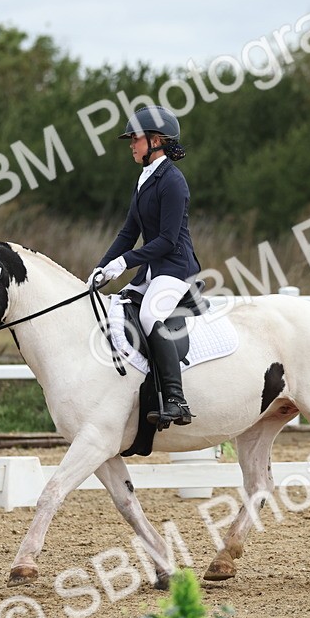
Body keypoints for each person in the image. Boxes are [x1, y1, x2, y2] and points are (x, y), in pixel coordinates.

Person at [90, 105, 201, 428]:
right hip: (151, 270)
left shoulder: (173, 182)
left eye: (135, 139)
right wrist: (101, 268)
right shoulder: (145, 179)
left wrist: (124, 262)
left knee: (151, 316)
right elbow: (129, 233)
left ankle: (176, 398)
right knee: (117, 307)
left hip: (176, 268)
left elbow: (167, 240)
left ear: (156, 141)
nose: (130, 144)